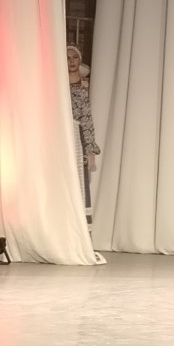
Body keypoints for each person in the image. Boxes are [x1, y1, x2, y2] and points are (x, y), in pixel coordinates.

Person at [67, 45, 99, 224]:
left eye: (75, 57)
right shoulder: (59, 87)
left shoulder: (85, 87)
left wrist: (90, 148)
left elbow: (87, 118)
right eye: (67, 58)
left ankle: (80, 225)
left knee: (79, 177)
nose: (71, 61)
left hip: (77, 136)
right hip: (61, 135)